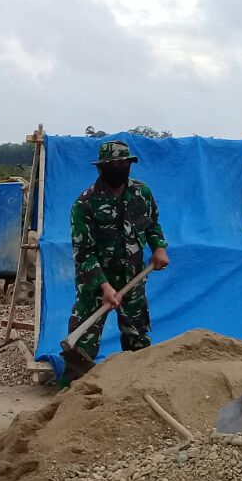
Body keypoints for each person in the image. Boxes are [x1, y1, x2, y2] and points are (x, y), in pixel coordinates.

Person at [68, 139, 169, 363]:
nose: (117, 170)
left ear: (130, 165)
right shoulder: (84, 204)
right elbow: (83, 254)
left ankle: (134, 388)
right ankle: (73, 392)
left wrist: (158, 247)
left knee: (138, 343)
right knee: (81, 346)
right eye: (111, 166)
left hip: (133, 279)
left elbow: (152, 224)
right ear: (100, 168)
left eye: (122, 165)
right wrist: (104, 286)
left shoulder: (141, 193)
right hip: (95, 285)